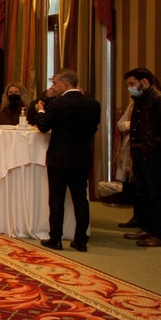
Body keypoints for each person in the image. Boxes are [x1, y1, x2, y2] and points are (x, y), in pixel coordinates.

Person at [34, 69, 101, 252]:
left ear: (65, 83)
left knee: (57, 199)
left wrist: (41, 111)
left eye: (55, 83)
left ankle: (55, 238)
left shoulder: (57, 103)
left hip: (59, 157)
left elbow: (43, 126)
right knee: (80, 199)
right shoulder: (93, 104)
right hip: (82, 157)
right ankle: (81, 240)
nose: (53, 87)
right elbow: (93, 129)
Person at [122, 67, 161, 248]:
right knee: (143, 192)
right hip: (139, 152)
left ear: (144, 82)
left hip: (153, 153)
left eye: (132, 84)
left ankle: (160, 233)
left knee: (157, 193)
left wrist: (159, 145)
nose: (129, 88)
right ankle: (146, 228)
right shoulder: (140, 100)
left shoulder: (158, 99)